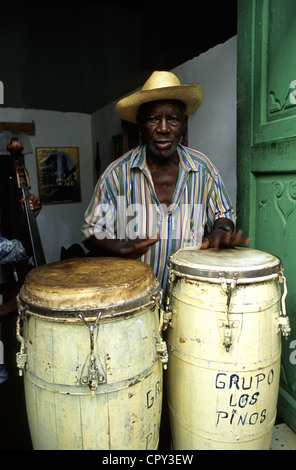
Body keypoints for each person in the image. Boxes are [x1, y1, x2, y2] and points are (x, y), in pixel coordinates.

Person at [82, 71, 249, 290]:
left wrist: (221, 231)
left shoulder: (203, 168)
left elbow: (224, 214)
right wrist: (120, 247)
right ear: (141, 125)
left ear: (183, 124)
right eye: (153, 119)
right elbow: (92, 231)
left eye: (173, 119)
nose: (163, 129)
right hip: (134, 297)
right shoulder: (117, 174)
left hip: (190, 295)